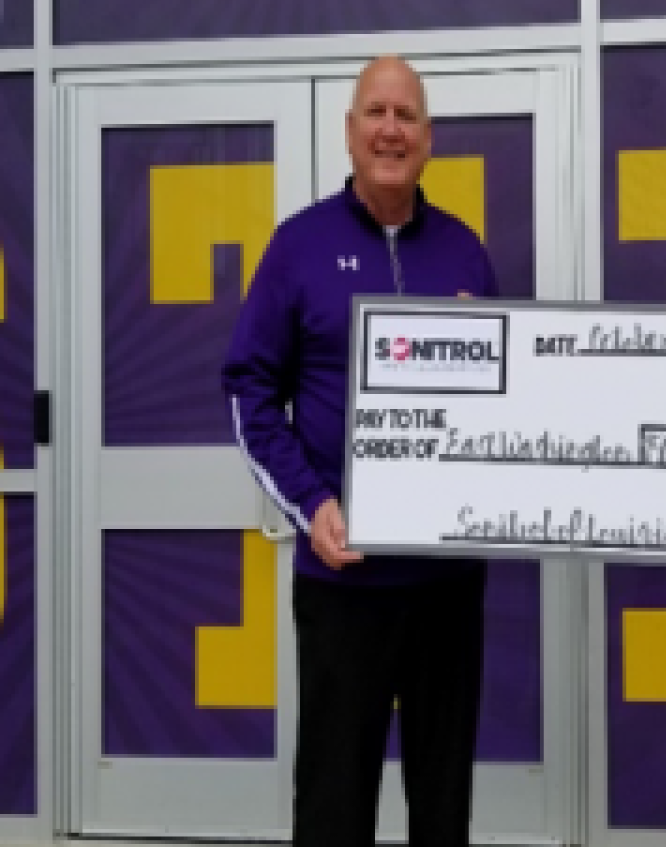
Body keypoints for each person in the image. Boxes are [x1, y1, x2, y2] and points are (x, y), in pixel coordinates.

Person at [222, 55, 497, 847]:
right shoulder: (297, 246)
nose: (389, 129)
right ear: (349, 132)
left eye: (405, 115)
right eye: (375, 112)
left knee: (443, 809)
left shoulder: (464, 252)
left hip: (448, 586)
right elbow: (249, 392)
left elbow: (506, 403)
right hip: (345, 582)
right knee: (336, 805)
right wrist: (314, 505)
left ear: (427, 138)